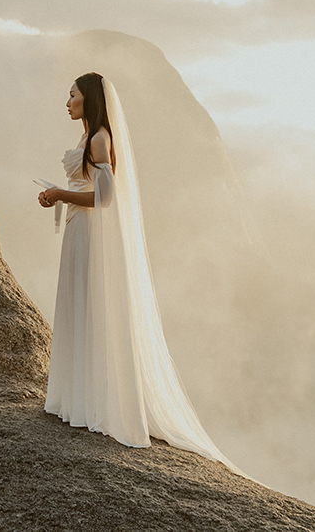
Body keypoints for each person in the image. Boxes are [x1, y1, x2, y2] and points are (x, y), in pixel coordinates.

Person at [37, 72, 243, 474]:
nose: (68, 101)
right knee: (77, 306)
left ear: (88, 98)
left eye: (73, 94)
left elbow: (105, 198)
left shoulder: (99, 139)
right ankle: (78, 398)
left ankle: (92, 401)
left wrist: (61, 194)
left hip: (89, 233)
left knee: (89, 307)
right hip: (78, 230)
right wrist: (58, 196)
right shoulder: (87, 136)